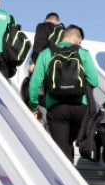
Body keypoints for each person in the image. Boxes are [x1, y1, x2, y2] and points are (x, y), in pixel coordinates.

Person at [28, 25, 99, 162]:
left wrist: (34, 105)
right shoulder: (83, 53)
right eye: (79, 42)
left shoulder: (46, 53)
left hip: (57, 107)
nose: (79, 45)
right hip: (80, 107)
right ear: (76, 39)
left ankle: (66, 170)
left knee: (61, 148)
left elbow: (35, 83)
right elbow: (94, 81)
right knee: (70, 140)